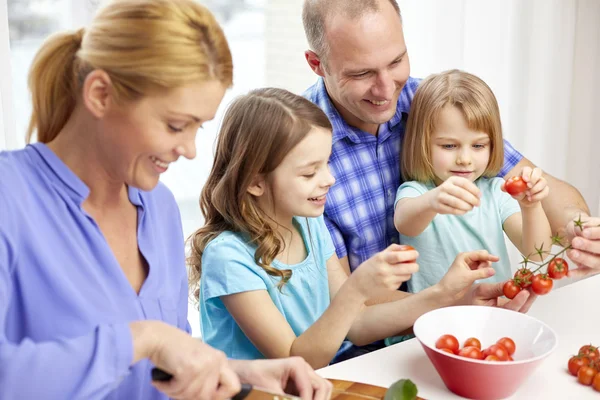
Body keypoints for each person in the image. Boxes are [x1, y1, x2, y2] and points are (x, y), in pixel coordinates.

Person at [0, 1, 332, 399]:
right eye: (176, 125)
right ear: (101, 94)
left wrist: (242, 373)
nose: (190, 150)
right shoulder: (10, 197)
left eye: (198, 127)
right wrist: (142, 338)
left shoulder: (158, 207)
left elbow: (159, 371)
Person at [301, 0, 600, 356]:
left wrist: (577, 229)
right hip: (373, 348)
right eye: (362, 74)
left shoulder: (433, 103)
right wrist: (452, 303)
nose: (385, 90)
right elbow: (351, 302)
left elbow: (547, 196)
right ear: (317, 64)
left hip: (481, 325)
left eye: (396, 61)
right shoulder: (301, 148)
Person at [190, 87, 503, 369]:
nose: (328, 179)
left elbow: (358, 324)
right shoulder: (228, 257)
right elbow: (297, 361)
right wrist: (357, 289)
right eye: (309, 172)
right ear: (255, 182)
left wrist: (447, 296)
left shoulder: (309, 226)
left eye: (326, 163)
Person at [385, 70, 552, 345]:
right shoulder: (417, 192)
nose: (464, 159)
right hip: (433, 330)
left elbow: (538, 253)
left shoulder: (496, 192)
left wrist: (531, 207)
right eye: (449, 145)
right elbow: (405, 222)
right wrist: (434, 201)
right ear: (422, 144)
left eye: (478, 145)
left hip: (490, 326)